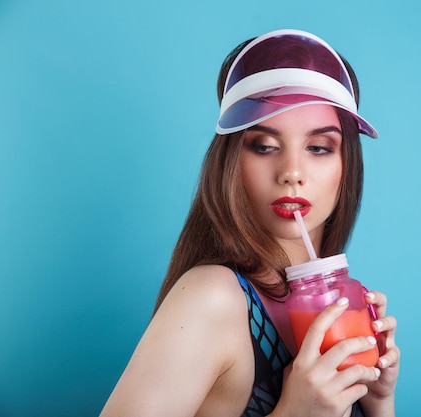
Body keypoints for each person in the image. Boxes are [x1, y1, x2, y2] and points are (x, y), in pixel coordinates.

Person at [100, 28, 399, 417]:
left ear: (347, 167)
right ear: (231, 164)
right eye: (264, 146)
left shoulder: (340, 307)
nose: (292, 172)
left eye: (319, 148)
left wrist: (378, 402)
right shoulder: (213, 299)